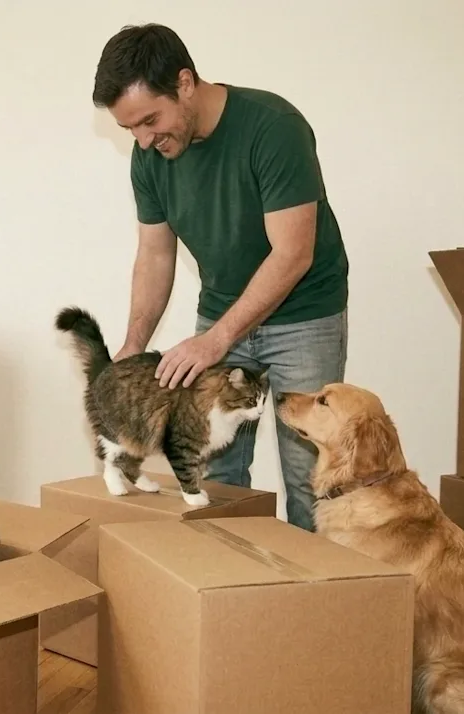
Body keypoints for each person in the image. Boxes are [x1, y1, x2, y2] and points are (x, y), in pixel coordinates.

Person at [92, 23, 349, 532]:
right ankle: (230, 601)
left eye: (149, 120)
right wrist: (132, 346)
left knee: (308, 476)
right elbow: (155, 254)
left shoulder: (273, 127)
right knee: (216, 471)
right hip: (221, 310)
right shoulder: (151, 157)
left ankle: (313, 607)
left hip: (305, 316)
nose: (143, 140)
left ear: (185, 83)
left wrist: (217, 339)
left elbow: (293, 253)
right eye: (130, 131)